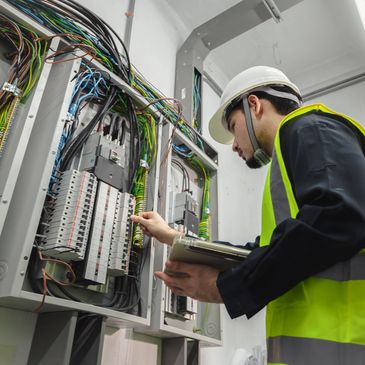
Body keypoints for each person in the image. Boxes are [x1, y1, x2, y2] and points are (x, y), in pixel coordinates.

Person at [131, 66, 365, 365]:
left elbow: (340, 215)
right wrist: (176, 238)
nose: (234, 145)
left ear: (254, 105)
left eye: (233, 125)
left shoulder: (311, 127)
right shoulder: (294, 151)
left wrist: (226, 287)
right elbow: (272, 250)